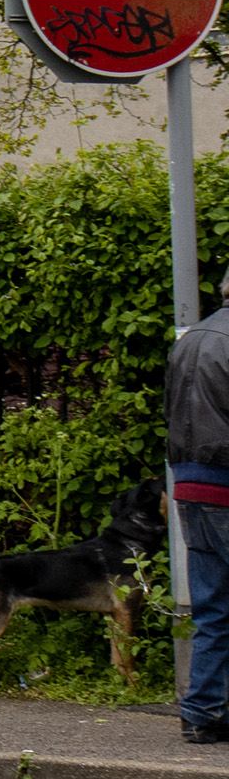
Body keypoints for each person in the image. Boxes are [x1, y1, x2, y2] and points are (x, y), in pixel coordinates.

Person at [165, 304, 229, 742]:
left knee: (213, 610)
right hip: (226, 481)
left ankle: (202, 713)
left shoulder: (189, 340)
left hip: (188, 484)